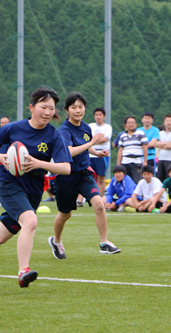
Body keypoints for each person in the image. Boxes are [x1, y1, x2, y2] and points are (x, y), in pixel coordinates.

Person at [0, 87, 72, 288]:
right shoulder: (13, 128)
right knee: (30, 221)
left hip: (34, 189)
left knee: (0, 237)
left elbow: (65, 168)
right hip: (9, 184)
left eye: (51, 108)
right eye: (43, 107)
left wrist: (39, 164)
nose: (48, 112)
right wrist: (0, 157)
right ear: (32, 107)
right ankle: (23, 271)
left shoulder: (54, 136)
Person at [48, 92, 120, 260]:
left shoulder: (86, 128)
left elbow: (86, 147)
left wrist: (97, 152)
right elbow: (70, 151)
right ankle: (56, 241)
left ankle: (104, 243)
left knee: (99, 205)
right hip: (66, 177)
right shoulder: (64, 130)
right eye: (74, 107)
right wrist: (92, 143)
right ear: (67, 110)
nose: (78, 110)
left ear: (84, 108)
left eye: (80, 107)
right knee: (65, 214)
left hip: (84, 175)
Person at [117, 116, 148, 184]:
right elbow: (120, 150)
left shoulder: (140, 134)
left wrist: (145, 161)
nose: (131, 124)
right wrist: (118, 164)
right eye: (129, 123)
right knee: (125, 182)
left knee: (137, 181)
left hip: (136, 161)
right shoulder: (122, 136)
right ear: (125, 125)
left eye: (133, 123)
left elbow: (145, 147)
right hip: (125, 162)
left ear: (136, 124)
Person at [88, 107, 112, 196]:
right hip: (90, 154)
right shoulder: (90, 126)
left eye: (100, 115)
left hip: (103, 155)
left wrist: (93, 141)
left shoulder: (107, 127)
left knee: (101, 178)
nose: (98, 117)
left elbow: (105, 139)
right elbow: (87, 140)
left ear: (104, 116)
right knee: (88, 177)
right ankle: (83, 199)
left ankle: (101, 198)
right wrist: (94, 140)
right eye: (96, 115)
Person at [155, 115, 171, 183]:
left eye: (170, 121)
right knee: (160, 179)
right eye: (167, 121)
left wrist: (161, 145)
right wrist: (167, 143)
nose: (168, 122)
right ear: (164, 122)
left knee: (170, 179)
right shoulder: (160, 133)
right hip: (161, 159)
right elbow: (156, 144)